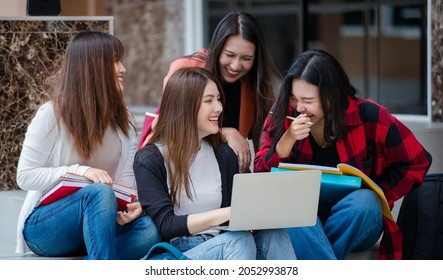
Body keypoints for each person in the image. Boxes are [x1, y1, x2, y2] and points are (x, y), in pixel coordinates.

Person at [254, 49, 432, 260]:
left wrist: (380, 194)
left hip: (357, 220)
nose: (299, 107)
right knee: (291, 204)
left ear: (332, 95)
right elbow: (259, 176)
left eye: (308, 100)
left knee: (365, 201)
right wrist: (286, 142)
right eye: (294, 98)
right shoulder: (283, 114)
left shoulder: (370, 116)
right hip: (303, 224)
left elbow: (418, 161)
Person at [15, 31, 161, 259]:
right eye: (115, 61)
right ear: (93, 66)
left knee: (151, 230)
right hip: (46, 227)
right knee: (99, 193)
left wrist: (133, 206)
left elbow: (126, 182)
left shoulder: (124, 119)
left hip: (100, 223)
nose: (123, 69)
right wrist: (81, 172)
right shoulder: (51, 115)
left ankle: (94, 261)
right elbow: (24, 176)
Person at [133, 67, 296, 260]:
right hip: (180, 251)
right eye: (209, 101)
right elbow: (167, 225)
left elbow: (234, 220)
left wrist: (258, 213)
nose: (218, 108)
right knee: (238, 241)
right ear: (185, 105)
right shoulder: (150, 158)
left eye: (218, 99)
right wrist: (227, 213)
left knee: (274, 235)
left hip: (226, 242)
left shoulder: (224, 154)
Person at [138, 11, 280, 173]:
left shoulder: (255, 87)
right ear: (218, 48)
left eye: (246, 58)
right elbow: (173, 126)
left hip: (226, 174)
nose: (235, 65)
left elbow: (264, 149)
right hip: (180, 167)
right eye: (229, 55)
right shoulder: (187, 70)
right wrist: (226, 133)